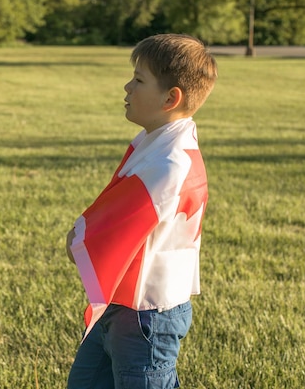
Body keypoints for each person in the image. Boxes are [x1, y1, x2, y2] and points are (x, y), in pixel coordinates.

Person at [65, 34, 218, 389]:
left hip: (147, 316)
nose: (127, 86)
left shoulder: (168, 162)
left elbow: (122, 221)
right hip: (126, 304)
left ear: (170, 98)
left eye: (139, 79)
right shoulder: (164, 142)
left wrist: (78, 239)